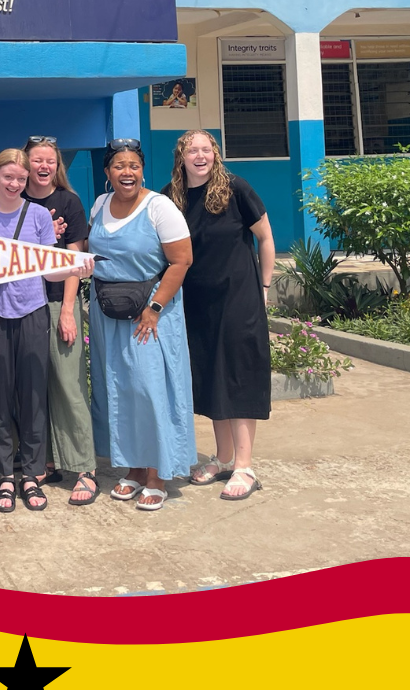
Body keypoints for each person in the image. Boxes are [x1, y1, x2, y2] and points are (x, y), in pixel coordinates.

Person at [0, 149, 92, 513]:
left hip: (34, 312)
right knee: (0, 395)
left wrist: (73, 267)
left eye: (20, 179)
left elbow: (47, 269)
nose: (15, 183)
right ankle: (6, 474)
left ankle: (33, 475)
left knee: (34, 394)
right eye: (8, 177)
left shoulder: (38, 215)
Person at [86, 138, 195, 511]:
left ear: (142, 169)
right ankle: (132, 468)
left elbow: (181, 261)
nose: (127, 173)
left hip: (150, 315)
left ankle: (157, 474)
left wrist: (155, 307)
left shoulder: (159, 207)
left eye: (133, 165)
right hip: (108, 314)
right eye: (119, 166)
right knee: (119, 390)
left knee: (151, 390)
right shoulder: (99, 205)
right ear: (107, 172)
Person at [165, 129, 275, 501]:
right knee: (212, 375)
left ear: (215, 154)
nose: (200, 155)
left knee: (239, 376)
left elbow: (265, 237)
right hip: (197, 303)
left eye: (205, 149)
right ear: (181, 157)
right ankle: (224, 458)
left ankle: (244, 466)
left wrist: (264, 287)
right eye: (191, 150)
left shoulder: (236, 189)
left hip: (239, 297)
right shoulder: (171, 197)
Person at [21, 136, 98, 506]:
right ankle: (47, 460)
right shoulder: (14, 202)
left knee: (69, 384)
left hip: (55, 304)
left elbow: (75, 263)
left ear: (57, 165)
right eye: (36, 160)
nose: (43, 166)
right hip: (22, 307)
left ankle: (84, 466)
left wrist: (68, 310)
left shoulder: (69, 202)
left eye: (49, 160)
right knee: (36, 387)